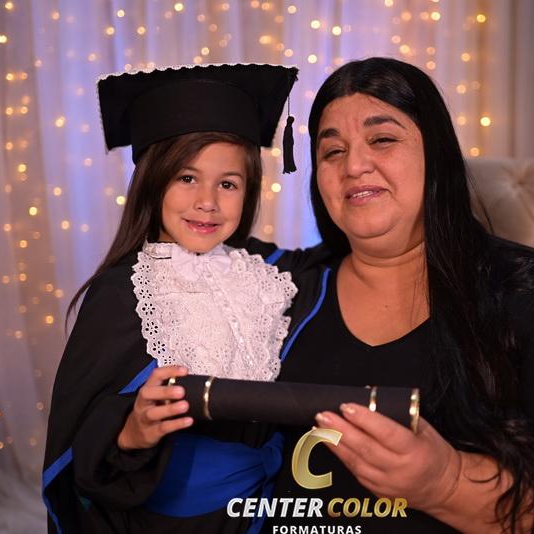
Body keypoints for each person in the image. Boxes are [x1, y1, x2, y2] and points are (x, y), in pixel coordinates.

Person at [265, 57, 534, 533]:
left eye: (383, 140)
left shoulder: (530, 292)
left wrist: (448, 483)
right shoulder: (282, 291)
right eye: (332, 151)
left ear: (436, 154)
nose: (353, 166)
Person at [42, 63, 325, 534]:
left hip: (266, 508)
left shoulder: (266, 274)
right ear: (153, 181)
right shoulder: (124, 293)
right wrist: (131, 431)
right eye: (187, 178)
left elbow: (344, 263)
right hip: (170, 520)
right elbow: (80, 432)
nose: (207, 201)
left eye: (228, 184)